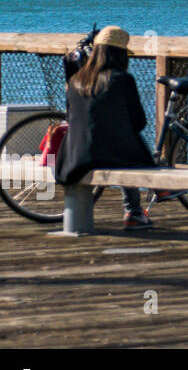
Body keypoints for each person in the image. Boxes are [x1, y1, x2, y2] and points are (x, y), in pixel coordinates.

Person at [55, 26, 160, 229]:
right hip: (106, 156)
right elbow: (139, 122)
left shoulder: (76, 80)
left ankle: (137, 209)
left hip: (73, 158)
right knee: (126, 145)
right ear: (121, 55)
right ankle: (137, 208)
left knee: (117, 143)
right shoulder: (122, 80)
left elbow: (72, 117)